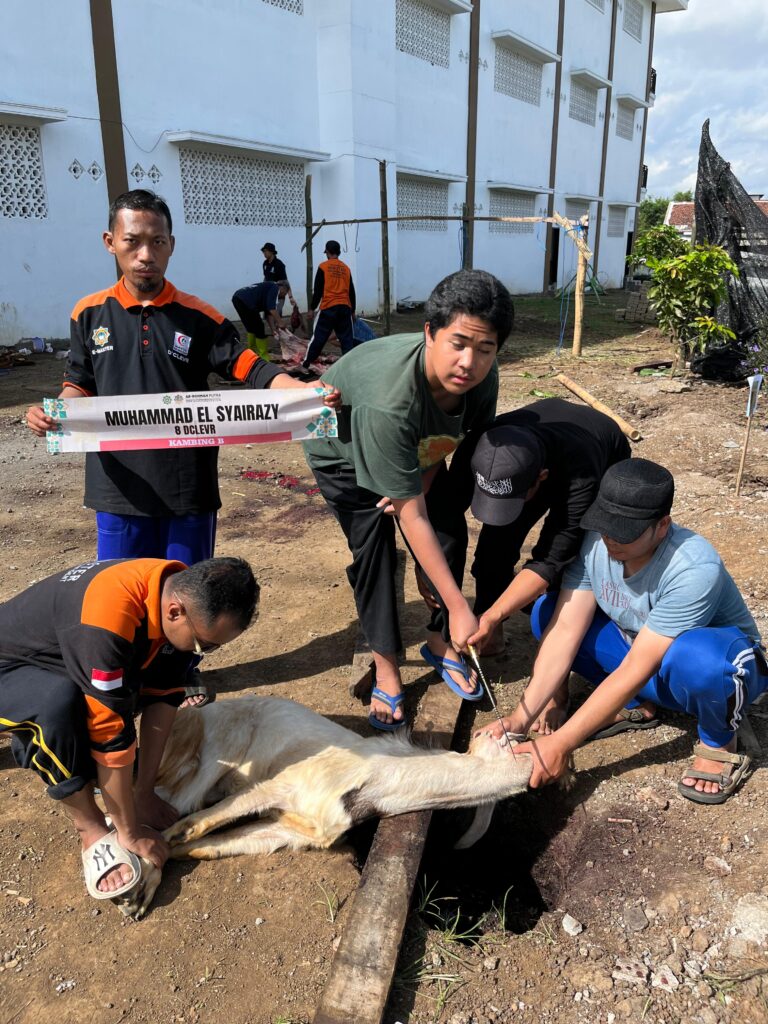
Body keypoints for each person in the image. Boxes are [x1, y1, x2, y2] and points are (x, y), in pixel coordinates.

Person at [25, 189, 338, 707]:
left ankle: (179, 674)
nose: (145, 253)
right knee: (118, 590)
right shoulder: (88, 314)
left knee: (187, 590)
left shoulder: (199, 318)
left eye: (157, 242)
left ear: (171, 247)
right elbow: (78, 383)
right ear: (111, 244)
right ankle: (121, 674)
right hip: (117, 486)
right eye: (133, 242)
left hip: (187, 487)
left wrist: (304, 395)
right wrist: (54, 412)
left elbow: (252, 370)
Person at [481, 459, 765, 805]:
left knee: (701, 658)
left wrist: (561, 743)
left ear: (662, 525)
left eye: (625, 532)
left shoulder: (693, 567)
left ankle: (718, 740)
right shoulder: (596, 544)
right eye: (605, 526)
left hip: (715, 674)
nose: (611, 539)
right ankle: (640, 704)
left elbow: (636, 666)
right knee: (548, 613)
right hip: (644, 660)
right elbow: (567, 628)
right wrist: (519, 718)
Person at [303, 269, 514, 729]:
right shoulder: (389, 400)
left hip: (410, 450)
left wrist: (416, 494)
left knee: (447, 529)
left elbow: (443, 441)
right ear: (429, 334)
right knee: (374, 547)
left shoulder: (483, 378)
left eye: (485, 349)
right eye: (457, 343)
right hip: (339, 446)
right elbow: (408, 513)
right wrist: (461, 606)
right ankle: (386, 667)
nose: (469, 362)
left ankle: (439, 642)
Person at [0, 555, 259, 900]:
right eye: (203, 646)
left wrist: (144, 792)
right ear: (175, 612)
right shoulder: (106, 623)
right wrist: (129, 831)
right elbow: (111, 739)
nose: (204, 653)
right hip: (8, 666)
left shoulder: (174, 590)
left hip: (58, 656)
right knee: (55, 708)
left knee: (122, 687)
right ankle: (89, 828)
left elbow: (164, 698)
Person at [447, 398, 630, 656]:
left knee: (577, 553)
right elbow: (446, 511)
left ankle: (558, 627)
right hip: (535, 444)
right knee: (494, 546)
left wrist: (497, 613)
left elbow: (551, 558)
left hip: (599, 450)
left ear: (541, 478)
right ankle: (492, 634)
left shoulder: (582, 473)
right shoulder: (480, 446)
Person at [301, 240, 356, 370]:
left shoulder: (323, 267)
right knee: (347, 340)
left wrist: (311, 309)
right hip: (344, 308)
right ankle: (350, 367)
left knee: (318, 338)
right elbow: (351, 292)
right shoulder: (346, 269)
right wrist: (352, 311)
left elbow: (318, 291)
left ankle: (306, 364)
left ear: (327, 252)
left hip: (328, 307)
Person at [231, 279, 290, 361]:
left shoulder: (269, 288)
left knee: (251, 327)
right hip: (245, 300)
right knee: (259, 327)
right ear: (283, 288)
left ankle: (252, 352)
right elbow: (272, 309)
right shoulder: (274, 288)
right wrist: (280, 322)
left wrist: (273, 330)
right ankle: (264, 356)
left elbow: (268, 313)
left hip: (237, 298)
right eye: (285, 293)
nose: (284, 296)